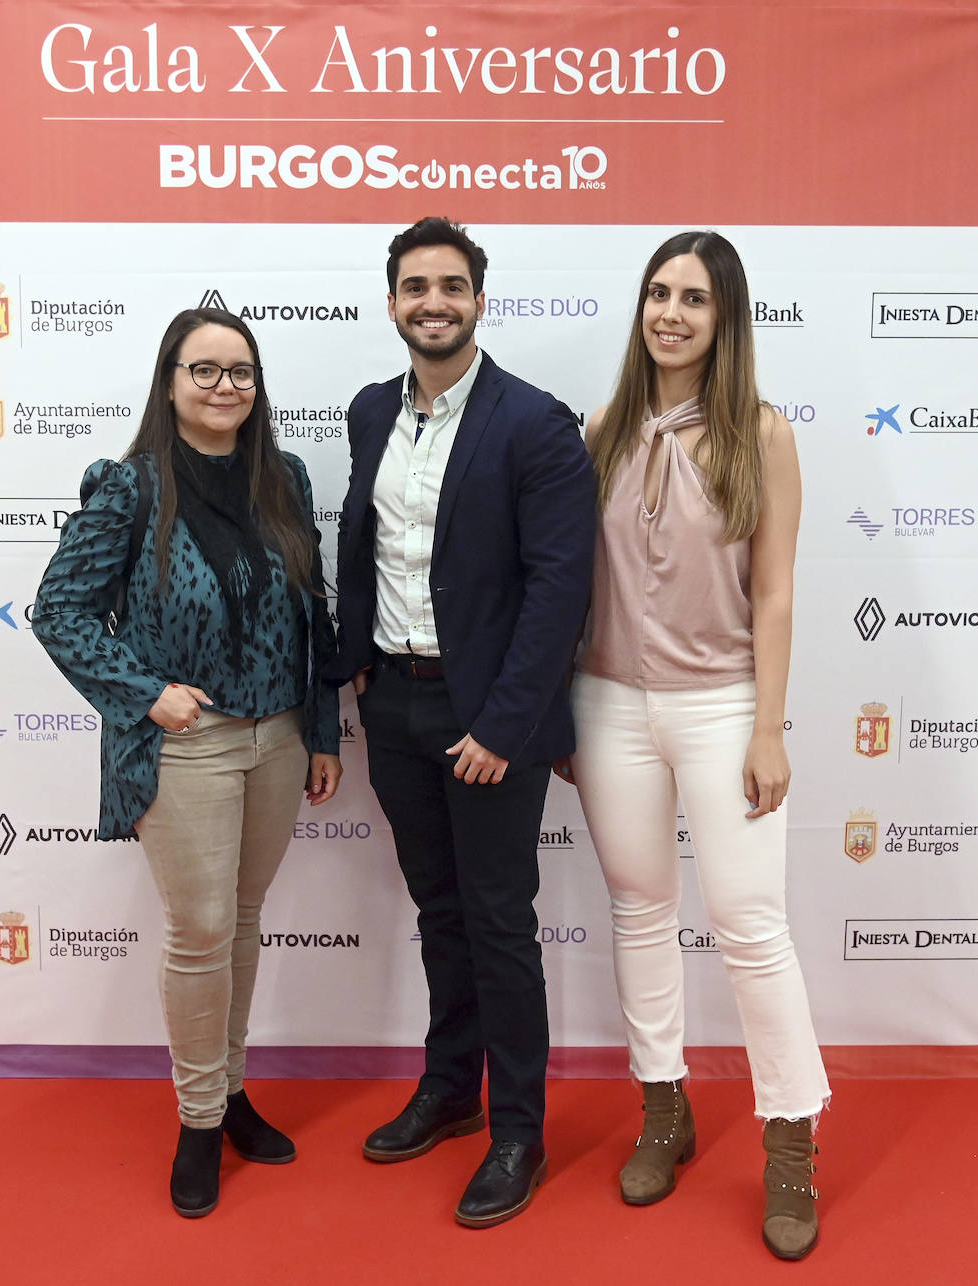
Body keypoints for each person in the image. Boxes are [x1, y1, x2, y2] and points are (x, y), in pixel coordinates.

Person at [32, 307, 342, 1219]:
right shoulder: (130, 489)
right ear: (169, 383)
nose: (224, 387)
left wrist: (322, 730)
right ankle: (199, 1118)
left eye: (240, 371)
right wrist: (144, 693)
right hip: (186, 743)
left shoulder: (282, 477)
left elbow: (310, 618)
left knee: (241, 919)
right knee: (201, 928)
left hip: (280, 738)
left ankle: (233, 1089)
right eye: (203, 370)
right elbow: (60, 612)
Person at [563, 231, 831, 1259]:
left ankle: (791, 1143)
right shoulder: (602, 429)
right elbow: (573, 579)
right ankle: (664, 1110)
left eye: (695, 299)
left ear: (726, 318)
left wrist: (768, 722)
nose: (671, 312)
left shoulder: (759, 432)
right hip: (612, 702)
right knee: (640, 909)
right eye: (659, 293)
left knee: (750, 920)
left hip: (723, 705)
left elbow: (774, 591)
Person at [327, 217, 595, 1228]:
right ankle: (450, 1089)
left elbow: (559, 587)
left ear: (481, 299)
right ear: (391, 302)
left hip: (489, 716)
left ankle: (518, 1129)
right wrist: (349, 677)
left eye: (450, 285)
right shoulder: (367, 412)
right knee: (439, 911)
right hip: (391, 701)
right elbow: (364, 548)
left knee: (498, 921)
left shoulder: (533, 422)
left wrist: (507, 724)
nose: (431, 301)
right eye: (413, 286)